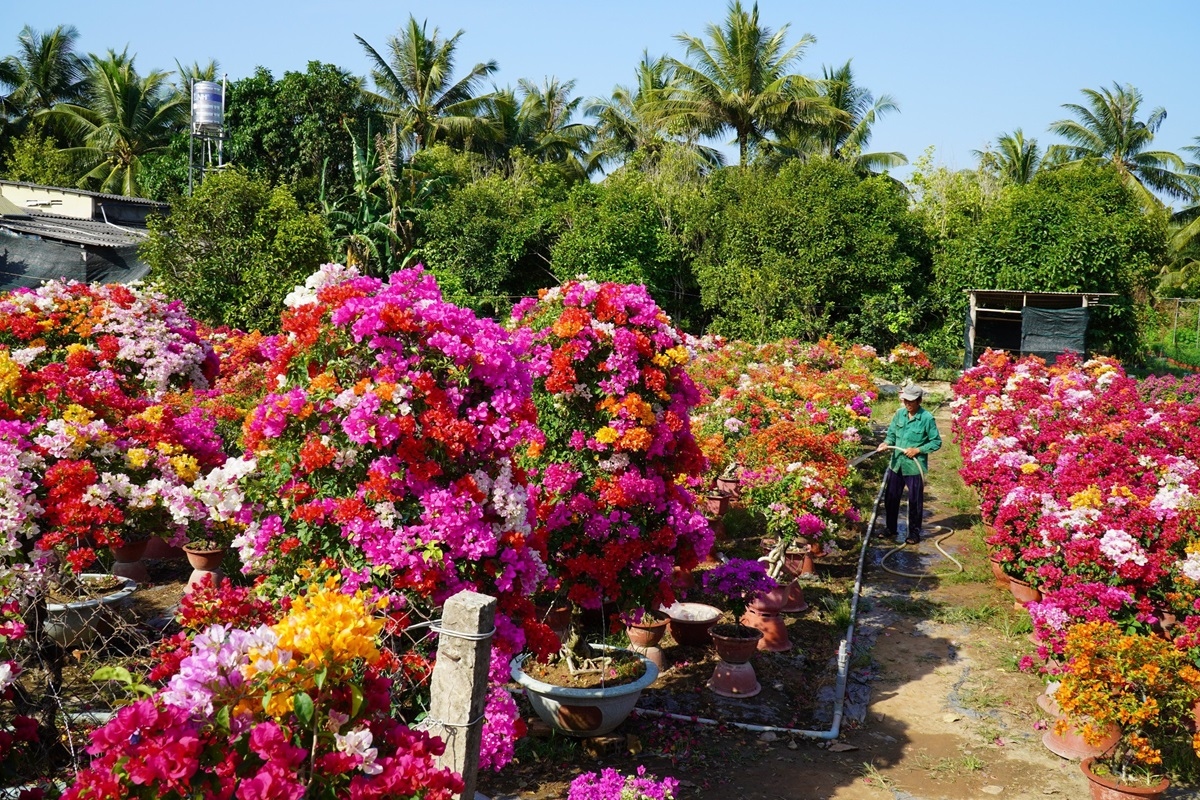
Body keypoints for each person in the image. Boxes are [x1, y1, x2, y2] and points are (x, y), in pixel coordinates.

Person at [875, 383, 942, 545]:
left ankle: (914, 533)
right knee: (891, 498)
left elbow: (936, 442)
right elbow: (891, 434)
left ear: (919, 401)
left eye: (911, 401)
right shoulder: (899, 414)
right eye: (905, 401)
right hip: (896, 464)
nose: (907, 404)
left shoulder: (926, 418)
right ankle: (890, 528)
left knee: (915, 501)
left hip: (914, 467)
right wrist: (886, 443)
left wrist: (918, 450)